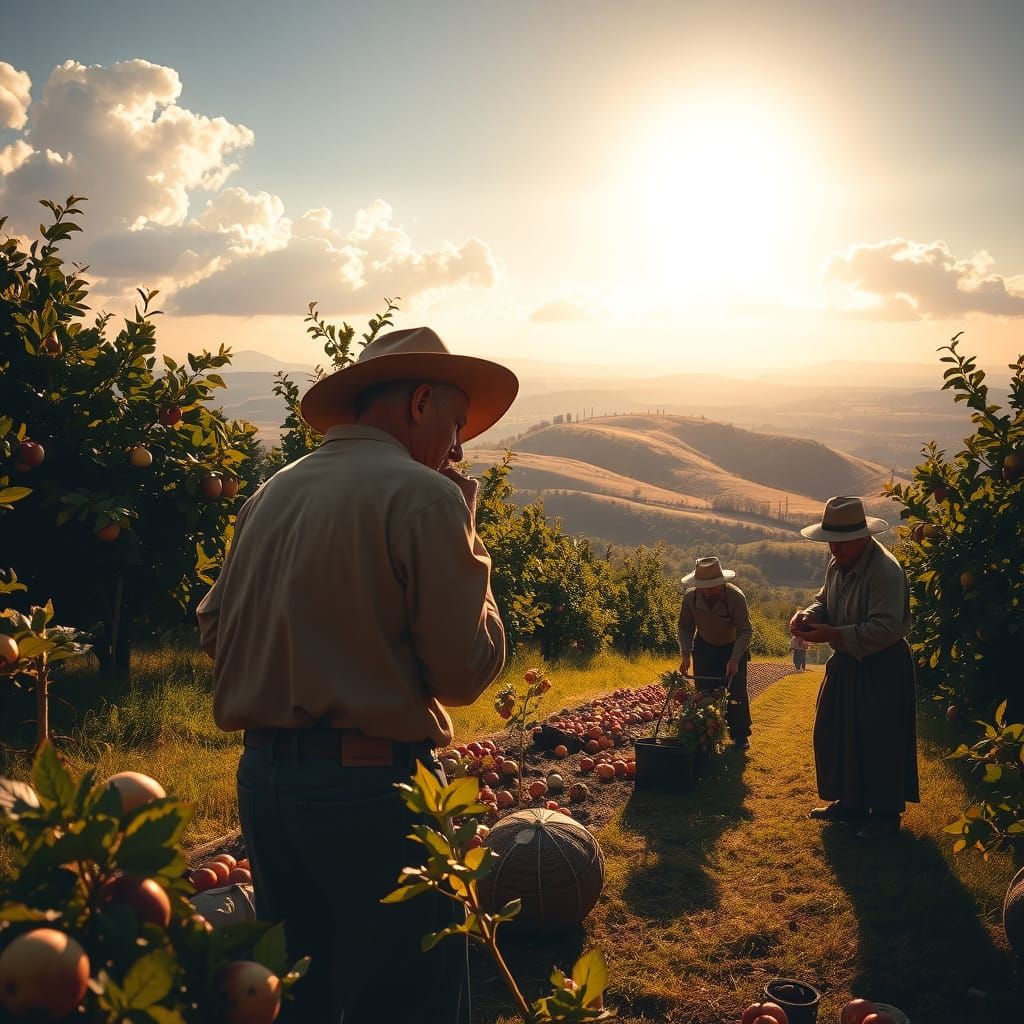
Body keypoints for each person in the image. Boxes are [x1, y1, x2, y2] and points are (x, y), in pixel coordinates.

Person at [196, 326, 518, 1023]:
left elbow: (215, 628)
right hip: (373, 794)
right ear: (421, 401)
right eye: (456, 425)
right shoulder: (427, 497)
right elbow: (463, 672)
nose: (458, 449)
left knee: (302, 993)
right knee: (410, 998)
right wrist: (470, 539)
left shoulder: (268, 495)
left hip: (265, 784)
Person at [790, 495, 920, 840]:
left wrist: (833, 633)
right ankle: (850, 803)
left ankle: (886, 815)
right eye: (830, 540)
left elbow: (886, 628)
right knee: (836, 729)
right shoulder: (840, 562)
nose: (833, 548)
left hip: (882, 666)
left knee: (879, 739)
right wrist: (808, 614)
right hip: (847, 662)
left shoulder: (885, 571)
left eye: (840, 541)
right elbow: (824, 599)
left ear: (863, 536)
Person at [677, 556, 753, 750]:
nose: (710, 591)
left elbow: (745, 631)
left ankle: (740, 734)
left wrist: (735, 659)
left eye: (714, 586)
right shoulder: (690, 598)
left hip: (732, 646)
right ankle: (706, 735)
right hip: (704, 647)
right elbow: (685, 628)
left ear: (721, 583)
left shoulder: (736, 597)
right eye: (705, 587)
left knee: (736, 692)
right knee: (704, 692)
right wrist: (685, 655)